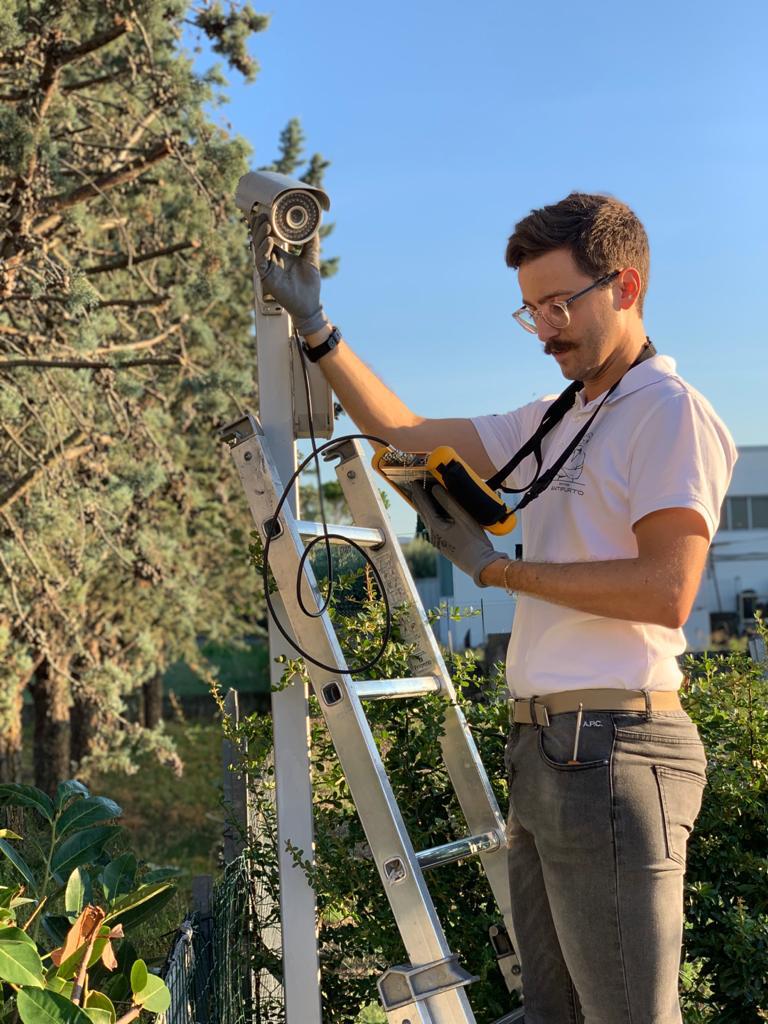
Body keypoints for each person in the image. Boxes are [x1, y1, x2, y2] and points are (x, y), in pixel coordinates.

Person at [252, 192, 737, 1024]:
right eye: (531, 310)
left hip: (618, 751)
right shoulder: (560, 416)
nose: (546, 329)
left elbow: (667, 592)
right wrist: (317, 327)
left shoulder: (668, 412)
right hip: (546, 747)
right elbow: (398, 430)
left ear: (625, 286)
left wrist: (497, 571)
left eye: (560, 305)